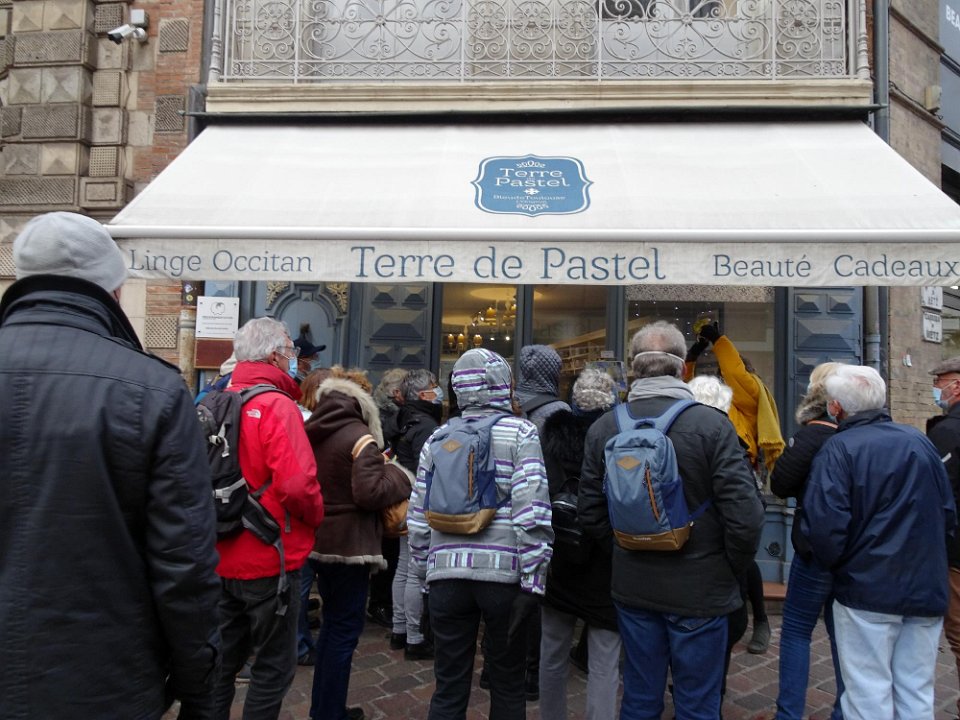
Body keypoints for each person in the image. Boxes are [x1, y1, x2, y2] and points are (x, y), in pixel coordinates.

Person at [0, 212, 222, 718]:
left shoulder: (151, 392)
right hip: (103, 680)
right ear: (114, 290)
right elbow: (184, 565)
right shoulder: (153, 390)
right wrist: (199, 688)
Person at [579, 321, 764, 720]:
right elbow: (745, 516)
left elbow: (590, 511)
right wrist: (727, 568)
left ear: (634, 368)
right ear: (682, 368)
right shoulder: (713, 425)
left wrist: (625, 550)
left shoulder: (605, 427)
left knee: (639, 698)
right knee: (697, 703)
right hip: (701, 589)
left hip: (634, 586)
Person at [802, 364, 956, 720]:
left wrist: (841, 568)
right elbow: (947, 513)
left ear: (836, 406)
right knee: (917, 692)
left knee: (867, 693)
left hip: (867, 589)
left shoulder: (839, 449)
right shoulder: (919, 441)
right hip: (923, 585)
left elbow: (825, 528)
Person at [408, 348, 554, 720]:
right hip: (503, 579)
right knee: (507, 684)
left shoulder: (438, 438)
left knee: (448, 687)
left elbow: (419, 518)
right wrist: (534, 581)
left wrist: (424, 577)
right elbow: (532, 510)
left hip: (445, 577)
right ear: (502, 384)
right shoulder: (520, 432)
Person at [212, 317, 326, 720]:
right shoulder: (278, 406)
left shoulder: (215, 401)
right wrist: (316, 518)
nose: (294, 358)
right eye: (291, 351)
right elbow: (297, 485)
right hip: (269, 555)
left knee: (221, 663)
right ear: (276, 356)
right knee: (273, 667)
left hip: (219, 552)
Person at [305, 367, 413, 720]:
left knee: (332, 627)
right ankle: (330, 712)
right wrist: (397, 474)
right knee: (343, 631)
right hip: (350, 545)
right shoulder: (359, 436)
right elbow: (370, 493)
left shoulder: (315, 429)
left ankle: (324, 707)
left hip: (319, 539)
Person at [687, 320, 784, 654]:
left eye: (725, 374)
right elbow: (683, 386)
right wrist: (692, 357)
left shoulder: (747, 400)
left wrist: (719, 341)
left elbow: (737, 376)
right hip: (704, 480)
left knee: (742, 554)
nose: (721, 378)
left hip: (739, 478)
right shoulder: (708, 403)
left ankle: (759, 619)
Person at [538, 368, 621, 720]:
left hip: (560, 554)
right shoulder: (619, 437)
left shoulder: (551, 436)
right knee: (604, 660)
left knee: (552, 651)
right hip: (604, 560)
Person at [770, 362, 844, 720]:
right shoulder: (864, 435)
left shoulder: (813, 436)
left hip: (814, 548)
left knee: (797, 629)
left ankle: (789, 714)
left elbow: (780, 483)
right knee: (844, 634)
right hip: (855, 550)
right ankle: (845, 710)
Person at [391, 369, 444, 660]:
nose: (438, 390)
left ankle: (399, 629)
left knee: (404, 566)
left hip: (406, 499)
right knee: (414, 570)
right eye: (434, 386)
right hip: (419, 501)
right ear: (424, 394)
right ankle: (415, 637)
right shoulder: (425, 425)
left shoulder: (407, 417)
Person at [927, 356, 960, 720]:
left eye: (940, 382)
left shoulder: (949, 431)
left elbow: (935, 492)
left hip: (955, 549)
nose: (936, 388)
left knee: (958, 631)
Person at [296, 366, 333, 665]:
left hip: (301, 510)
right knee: (306, 580)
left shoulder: (294, 416)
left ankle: (300, 639)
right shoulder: (317, 424)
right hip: (315, 508)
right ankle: (299, 643)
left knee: (302, 580)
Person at [367, 368, 409, 630]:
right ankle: (380, 602)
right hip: (387, 487)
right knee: (388, 548)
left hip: (390, 485)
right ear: (396, 392)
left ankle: (383, 600)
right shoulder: (384, 417)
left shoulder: (386, 411)